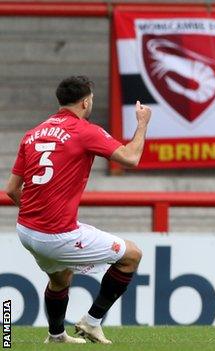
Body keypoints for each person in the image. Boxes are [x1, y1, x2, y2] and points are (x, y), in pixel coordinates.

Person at [4, 76, 151, 344]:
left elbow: (12, 190)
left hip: (27, 230)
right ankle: (92, 322)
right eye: (91, 100)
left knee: (60, 279)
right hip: (57, 234)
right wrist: (142, 124)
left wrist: (39, 215)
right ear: (85, 102)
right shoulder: (85, 130)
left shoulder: (33, 134)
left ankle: (57, 335)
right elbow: (131, 158)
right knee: (131, 255)